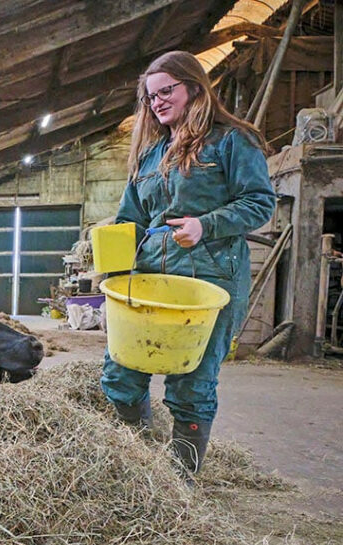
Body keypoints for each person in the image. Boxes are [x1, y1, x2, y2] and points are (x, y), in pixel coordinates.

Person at [101, 51, 276, 480]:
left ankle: (180, 484)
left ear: (195, 88)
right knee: (121, 373)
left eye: (167, 91)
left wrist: (207, 224)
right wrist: (111, 262)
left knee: (192, 384)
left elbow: (260, 203)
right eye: (150, 97)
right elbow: (130, 218)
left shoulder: (232, 140)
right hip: (148, 279)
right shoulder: (149, 156)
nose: (157, 102)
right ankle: (139, 470)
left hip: (208, 277)